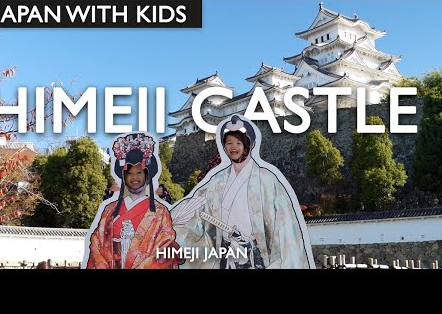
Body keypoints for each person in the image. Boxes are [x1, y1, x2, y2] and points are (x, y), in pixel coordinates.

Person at [171, 114, 315, 269]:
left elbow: (284, 225)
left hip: (256, 254)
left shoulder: (266, 179)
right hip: (226, 253)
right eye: (229, 143)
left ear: (249, 144)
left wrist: (279, 260)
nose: (234, 147)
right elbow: (194, 207)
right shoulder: (217, 181)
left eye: (239, 142)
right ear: (223, 147)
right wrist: (168, 221)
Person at [83, 132, 183, 269]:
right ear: (123, 176)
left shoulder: (161, 212)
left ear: (147, 175)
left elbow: (165, 249)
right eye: (129, 173)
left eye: (139, 172)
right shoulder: (109, 210)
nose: (134, 177)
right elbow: (97, 245)